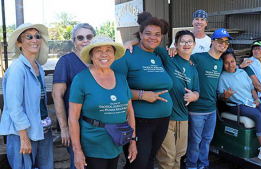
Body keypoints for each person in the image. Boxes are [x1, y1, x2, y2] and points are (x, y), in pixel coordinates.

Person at [124, 30, 200, 169]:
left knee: (179, 155)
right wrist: (129, 42)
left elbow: (197, 90)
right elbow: (148, 42)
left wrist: (195, 96)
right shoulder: (167, 57)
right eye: (182, 41)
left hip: (183, 118)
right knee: (167, 157)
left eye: (189, 41)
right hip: (167, 117)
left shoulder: (193, 68)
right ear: (175, 44)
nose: (186, 44)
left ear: (194, 44)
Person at [111, 12, 173, 169]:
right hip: (138, 120)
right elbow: (113, 89)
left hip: (163, 119)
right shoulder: (127, 55)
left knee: (150, 159)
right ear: (140, 34)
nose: (153, 37)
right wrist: (141, 95)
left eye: (157, 34)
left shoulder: (159, 54)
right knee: (137, 163)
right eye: (148, 33)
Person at [68, 34, 137, 169]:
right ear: (91, 55)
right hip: (93, 144)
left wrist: (133, 141)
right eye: (98, 50)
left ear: (114, 54)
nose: (104, 54)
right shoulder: (81, 79)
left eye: (108, 50)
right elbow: (73, 118)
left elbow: (130, 112)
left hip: (115, 142)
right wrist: (77, 150)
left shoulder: (121, 78)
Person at [0, 23, 53, 168]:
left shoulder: (38, 66)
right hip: (22, 134)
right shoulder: (18, 69)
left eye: (37, 36)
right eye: (28, 36)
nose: (34, 40)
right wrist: (23, 137)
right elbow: (14, 106)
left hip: (42, 129)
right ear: (19, 43)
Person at [185, 28, 231, 169]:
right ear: (212, 41)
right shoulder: (198, 57)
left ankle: (203, 165)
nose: (223, 44)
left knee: (206, 141)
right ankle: (192, 165)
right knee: (195, 141)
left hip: (211, 109)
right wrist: (173, 50)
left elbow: (233, 68)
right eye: (220, 41)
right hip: (196, 109)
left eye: (226, 42)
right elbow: (181, 62)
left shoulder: (221, 63)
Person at [52, 23, 96, 169]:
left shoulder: (100, 60)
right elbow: (57, 96)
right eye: (80, 37)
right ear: (74, 42)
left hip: (97, 126)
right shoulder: (66, 62)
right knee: (79, 163)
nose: (85, 40)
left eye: (89, 36)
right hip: (75, 125)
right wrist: (64, 128)